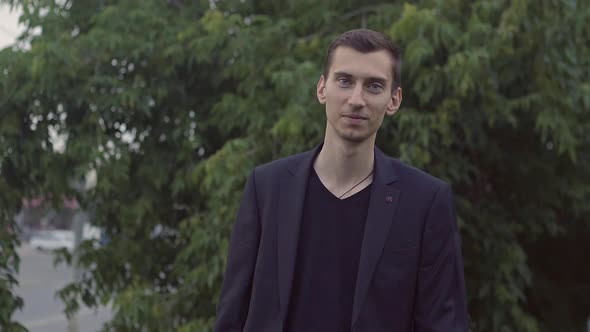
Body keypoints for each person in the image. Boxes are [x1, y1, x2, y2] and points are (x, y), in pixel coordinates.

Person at [214, 29, 469, 332]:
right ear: (322, 88)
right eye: (345, 81)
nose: (357, 99)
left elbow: (445, 323)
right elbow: (231, 315)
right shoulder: (267, 187)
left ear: (394, 99)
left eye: (374, 86)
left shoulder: (426, 201)